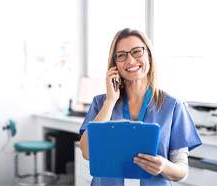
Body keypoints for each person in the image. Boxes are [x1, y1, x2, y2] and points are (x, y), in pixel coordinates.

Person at [79, 28, 202, 186]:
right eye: (122, 55)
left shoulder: (173, 106)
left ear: (149, 55)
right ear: (115, 64)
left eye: (137, 52)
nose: (130, 61)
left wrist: (163, 166)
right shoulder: (101, 103)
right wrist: (110, 102)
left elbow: (182, 171)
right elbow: (87, 152)